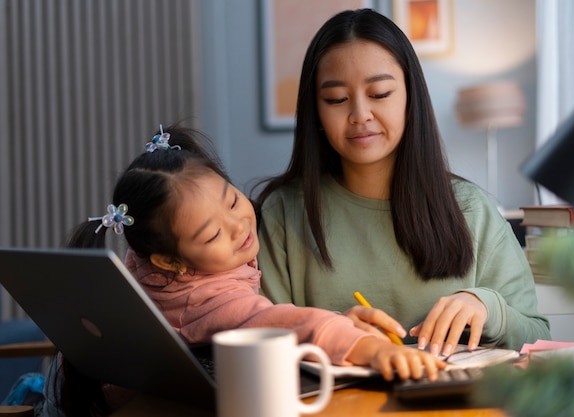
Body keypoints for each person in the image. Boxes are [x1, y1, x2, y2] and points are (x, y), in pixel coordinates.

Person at [46, 124, 444, 417]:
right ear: (170, 260)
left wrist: (346, 325)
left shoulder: (147, 262)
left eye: (233, 201)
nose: (239, 226)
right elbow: (282, 321)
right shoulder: (204, 303)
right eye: (213, 232)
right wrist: (370, 349)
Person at [254, 8, 551, 358]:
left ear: (411, 98)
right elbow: (259, 343)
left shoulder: (471, 209)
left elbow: (538, 337)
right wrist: (332, 334)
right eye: (336, 99)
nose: (360, 114)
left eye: (379, 93)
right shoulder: (282, 214)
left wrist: (488, 307)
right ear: (315, 111)